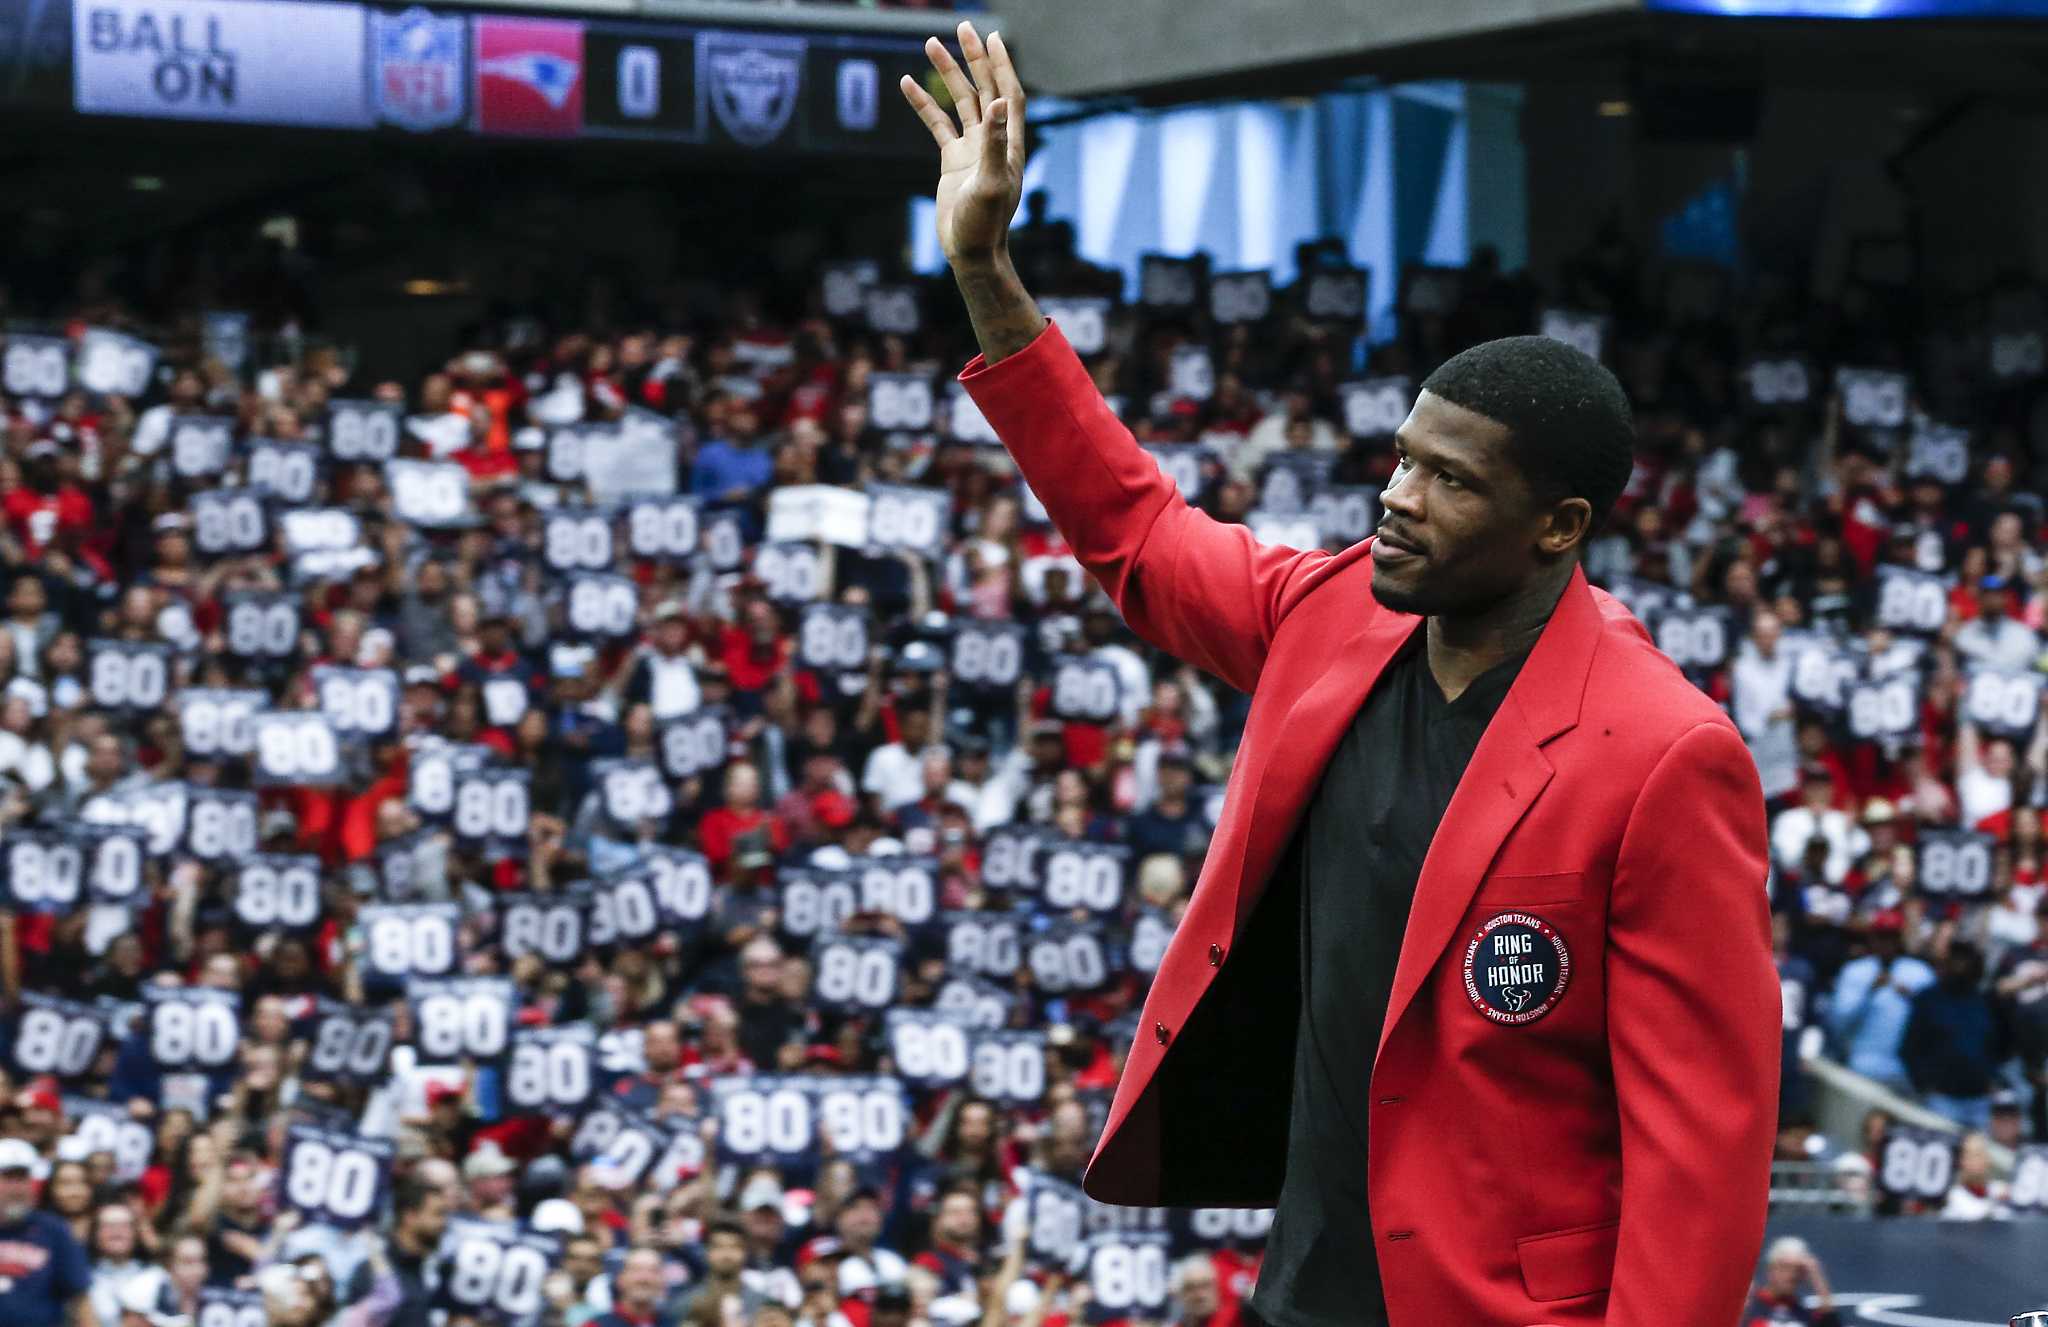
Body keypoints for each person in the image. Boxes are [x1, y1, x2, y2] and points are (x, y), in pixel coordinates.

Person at [906, 23, 1778, 1324]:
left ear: (1561, 525)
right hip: (1304, 1288)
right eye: (1403, 456)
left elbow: (1700, 1151)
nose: (1398, 495)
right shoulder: (1328, 617)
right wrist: (985, 268)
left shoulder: (1665, 753)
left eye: (1450, 477)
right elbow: (1137, 528)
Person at [0, 1138, 93, 1327]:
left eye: (23, 1178)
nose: (17, 1188)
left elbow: (81, 1300)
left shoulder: (54, 1230)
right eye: (9, 1178)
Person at [1740, 1236, 1839, 1326]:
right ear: (1771, 1269)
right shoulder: (1750, 1306)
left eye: (1798, 1270)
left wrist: (1817, 1277)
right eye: (1785, 1267)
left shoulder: (1803, 1313)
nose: (1792, 1275)